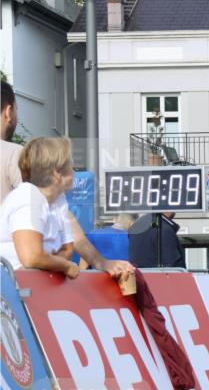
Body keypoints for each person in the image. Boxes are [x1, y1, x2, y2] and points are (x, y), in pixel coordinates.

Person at [1, 81, 133, 279]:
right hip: (14, 284)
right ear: (9, 111)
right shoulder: (16, 161)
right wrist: (96, 262)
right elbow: (36, 252)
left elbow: (66, 241)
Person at [0, 137, 78, 277]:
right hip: (12, 292)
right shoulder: (28, 197)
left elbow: (66, 250)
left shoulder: (50, 201)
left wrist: (50, 261)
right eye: (71, 166)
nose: (74, 171)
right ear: (57, 173)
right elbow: (31, 257)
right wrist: (66, 266)